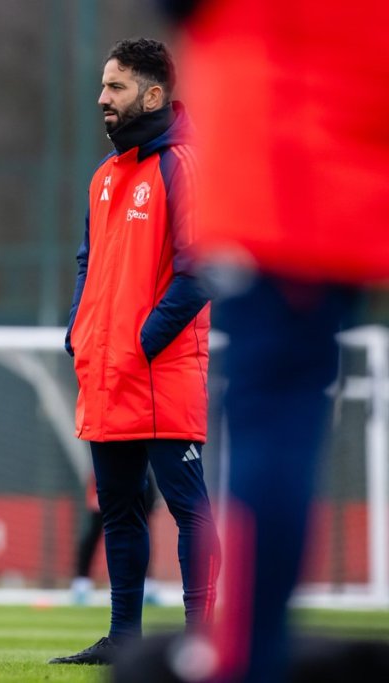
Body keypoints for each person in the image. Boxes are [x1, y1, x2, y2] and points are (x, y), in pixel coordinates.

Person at [151, 2, 389, 681]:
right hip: (333, 148)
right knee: (283, 409)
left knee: (270, 417)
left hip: (288, 156)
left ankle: (244, 657)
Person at [52, 38, 220, 665]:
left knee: (187, 507)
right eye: (102, 85)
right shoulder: (104, 175)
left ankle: (203, 642)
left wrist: (144, 338)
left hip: (161, 369)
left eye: (116, 87)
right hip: (107, 371)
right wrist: (79, 328)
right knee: (120, 510)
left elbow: (199, 269)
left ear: (153, 94)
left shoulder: (182, 164)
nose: (102, 98)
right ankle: (125, 642)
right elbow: (86, 262)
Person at [71, 470, 159, 607]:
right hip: (109, 470)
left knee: (142, 533)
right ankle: (82, 584)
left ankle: (147, 585)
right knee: (96, 531)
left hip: (138, 472)